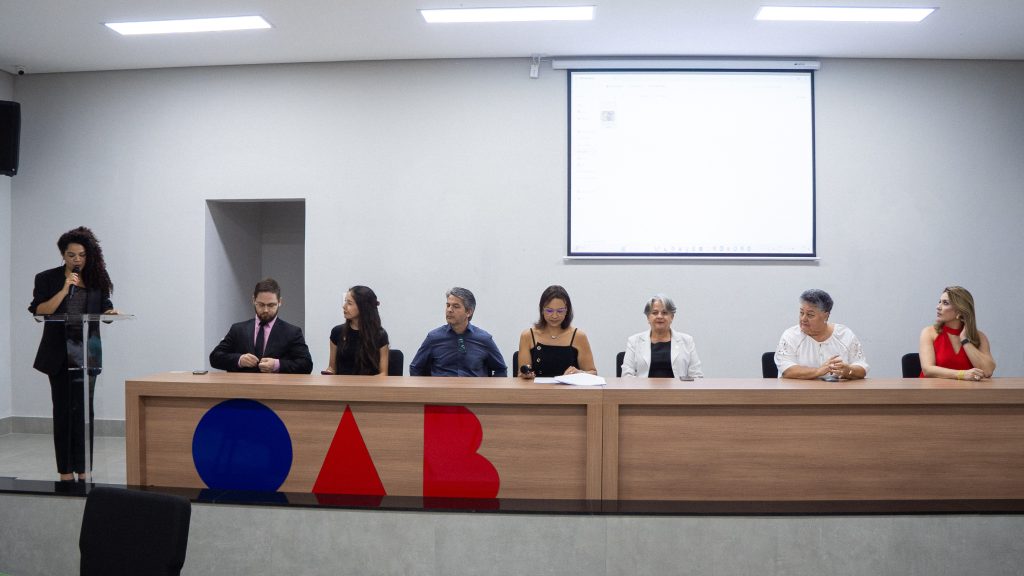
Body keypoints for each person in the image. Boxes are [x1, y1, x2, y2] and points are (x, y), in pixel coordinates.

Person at [29, 226, 119, 482]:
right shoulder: (47, 278)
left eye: (81, 255)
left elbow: (106, 309)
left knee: (84, 412)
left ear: (88, 255)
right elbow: (40, 310)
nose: (77, 260)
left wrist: (111, 313)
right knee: (63, 412)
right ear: (63, 255)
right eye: (71, 255)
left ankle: (85, 469)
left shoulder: (98, 279)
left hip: (86, 356)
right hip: (58, 355)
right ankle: (66, 471)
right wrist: (64, 289)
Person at [209, 278, 313, 374]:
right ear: (253, 300)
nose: (266, 310)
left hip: (276, 391)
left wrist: (277, 365)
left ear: (280, 302)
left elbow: (306, 365)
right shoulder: (238, 329)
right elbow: (215, 357)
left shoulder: (292, 332)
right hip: (242, 391)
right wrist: (239, 360)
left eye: (271, 305)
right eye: (261, 304)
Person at [409, 287, 507, 377]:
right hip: (442, 393)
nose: (449, 310)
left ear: (469, 312)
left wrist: (488, 392)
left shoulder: (484, 339)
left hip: (474, 394)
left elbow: (501, 369)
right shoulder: (434, 337)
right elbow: (415, 368)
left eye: (456, 306)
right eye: (448, 305)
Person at [774, 289, 869, 380]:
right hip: (798, 394)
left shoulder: (844, 335)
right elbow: (786, 370)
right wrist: (819, 371)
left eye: (810, 315)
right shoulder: (790, 336)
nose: (803, 319)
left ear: (826, 316)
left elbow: (862, 368)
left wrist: (848, 371)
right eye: (801, 312)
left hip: (837, 394)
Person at [516, 285, 596, 378]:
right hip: (537, 391)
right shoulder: (528, 336)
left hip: (570, 391)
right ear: (542, 310)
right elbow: (521, 374)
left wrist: (581, 373)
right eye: (549, 310)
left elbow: (593, 372)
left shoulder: (579, 336)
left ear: (567, 311)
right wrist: (525, 375)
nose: (554, 316)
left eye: (560, 311)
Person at [918, 286, 995, 380]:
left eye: (945, 303)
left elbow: (987, 371)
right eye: (939, 302)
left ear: (960, 310)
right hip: (932, 392)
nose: (938, 307)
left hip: (966, 393)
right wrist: (962, 374)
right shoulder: (929, 333)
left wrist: (964, 339)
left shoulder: (980, 337)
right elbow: (928, 370)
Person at [621, 294, 703, 378]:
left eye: (664, 313)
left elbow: (696, 376)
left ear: (672, 317)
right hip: (644, 390)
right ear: (648, 317)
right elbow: (626, 375)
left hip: (678, 390)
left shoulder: (687, 341)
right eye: (655, 313)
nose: (659, 316)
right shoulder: (634, 341)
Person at [323, 285, 390, 376]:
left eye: (349, 303)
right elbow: (332, 367)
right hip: (342, 387)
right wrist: (328, 373)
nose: (344, 306)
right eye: (345, 302)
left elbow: (383, 374)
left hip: (369, 387)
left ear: (363, 307)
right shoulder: (337, 332)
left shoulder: (380, 335)